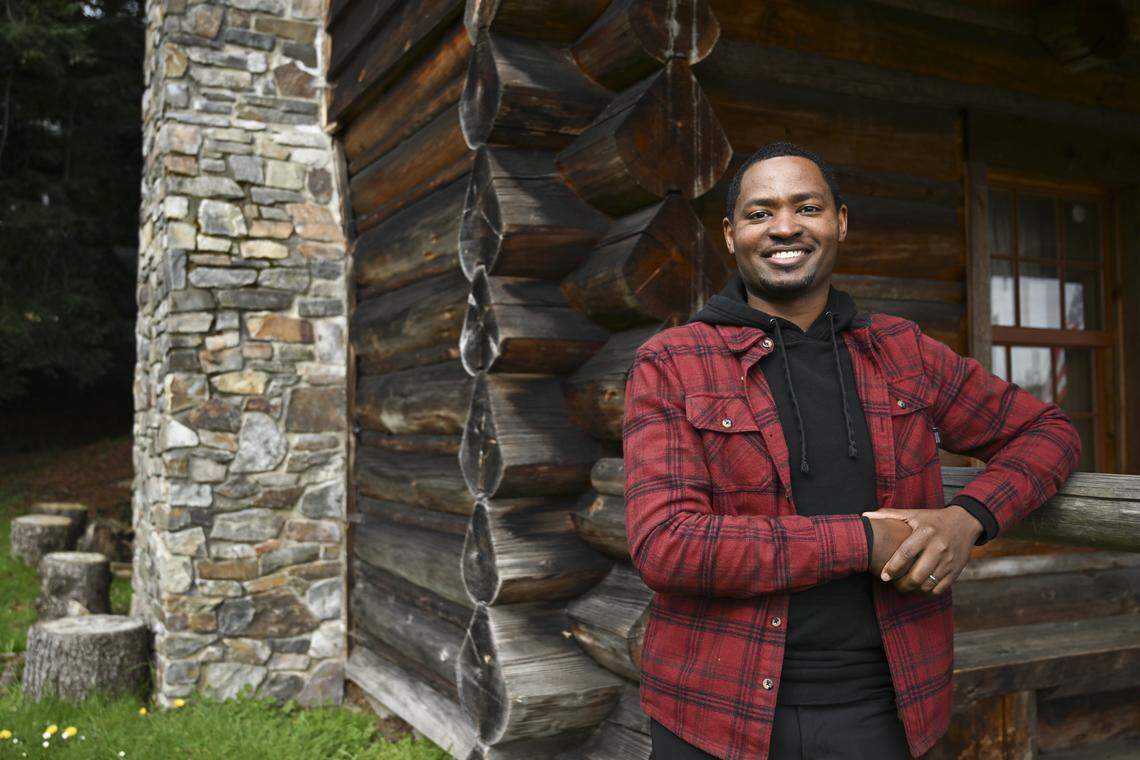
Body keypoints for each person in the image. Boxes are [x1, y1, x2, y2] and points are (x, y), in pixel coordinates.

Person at [622, 141, 1081, 759]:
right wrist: (862, 543)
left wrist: (968, 519)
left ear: (840, 221)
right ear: (730, 236)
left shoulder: (903, 352)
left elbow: (1049, 432)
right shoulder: (674, 361)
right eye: (760, 214)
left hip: (881, 707)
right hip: (714, 710)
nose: (785, 227)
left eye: (806, 206)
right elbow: (666, 545)